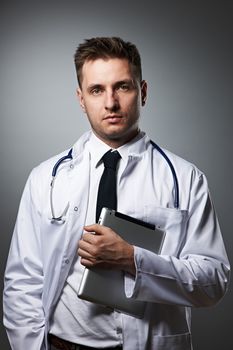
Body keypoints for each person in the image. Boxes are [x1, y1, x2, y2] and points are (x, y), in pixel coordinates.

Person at [3, 37, 230, 350]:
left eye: (122, 86)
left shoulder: (185, 178)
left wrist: (132, 259)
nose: (110, 102)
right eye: (97, 90)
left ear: (143, 92)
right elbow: (22, 282)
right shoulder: (46, 178)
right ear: (81, 99)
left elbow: (213, 281)